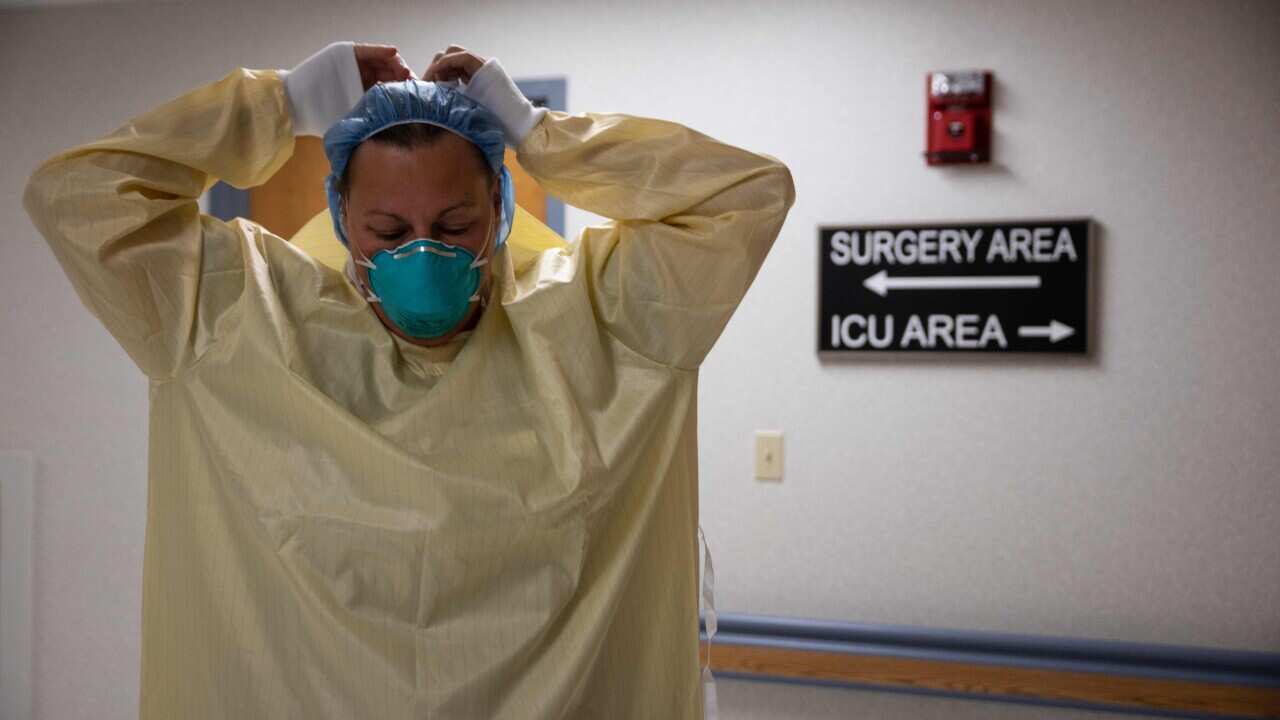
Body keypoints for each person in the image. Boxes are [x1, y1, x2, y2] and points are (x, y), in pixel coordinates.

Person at [24, 40, 795, 719]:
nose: (422, 255)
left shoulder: (603, 320)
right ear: (341, 217)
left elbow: (746, 196)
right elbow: (78, 197)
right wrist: (281, 102)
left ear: (499, 207)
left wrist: (538, 133)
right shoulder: (240, 317)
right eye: (388, 231)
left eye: (455, 227)